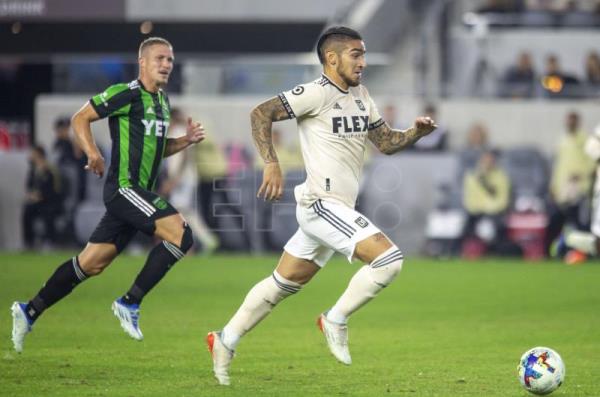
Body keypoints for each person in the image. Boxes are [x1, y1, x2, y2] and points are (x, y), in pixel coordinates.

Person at [205, 26, 436, 386]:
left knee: (283, 283)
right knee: (389, 261)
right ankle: (335, 318)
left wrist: (415, 133)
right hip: (320, 204)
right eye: (355, 54)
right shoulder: (315, 93)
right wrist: (271, 162)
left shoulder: (362, 95)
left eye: (363, 54)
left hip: (336, 208)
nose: (362, 61)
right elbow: (260, 113)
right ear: (332, 58)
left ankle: (224, 339)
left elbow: (386, 143)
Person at [11, 37, 206, 353]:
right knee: (182, 236)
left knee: (90, 264)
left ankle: (29, 310)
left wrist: (185, 141)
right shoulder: (126, 93)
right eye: (160, 58)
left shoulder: (163, 103)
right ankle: (129, 302)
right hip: (125, 189)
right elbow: (80, 117)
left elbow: (156, 150)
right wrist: (92, 152)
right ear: (142, 62)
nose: (167, 64)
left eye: (170, 60)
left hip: (137, 195)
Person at [161, 107, 219, 253]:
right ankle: (204, 240)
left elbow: (185, 156)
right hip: (184, 178)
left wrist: (174, 179)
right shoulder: (177, 130)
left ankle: (188, 242)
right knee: (184, 211)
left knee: (177, 210)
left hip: (183, 179)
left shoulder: (178, 131)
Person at [545, 111, 594, 255]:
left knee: (580, 223)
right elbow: (558, 165)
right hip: (562, 189)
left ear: (578, 122)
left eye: (572, 121)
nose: (570, 124)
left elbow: (592, 163)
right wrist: (553, 185)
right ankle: (550, 252)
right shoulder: (562, 140)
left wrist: (581, 174)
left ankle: (583, 252)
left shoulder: (585, 140)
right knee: (556, 221)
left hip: (579, 188)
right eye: (568, 121)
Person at [461, 149, 511, 254]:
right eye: (486, 159)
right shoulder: (472, 176)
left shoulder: (501, 176)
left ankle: (497, 253)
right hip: (476, 212)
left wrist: (491, 210)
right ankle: (463, 252)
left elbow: (503, 200)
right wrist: (478, 210)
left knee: (499, 229)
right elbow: (469, 198)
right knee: (466, 229)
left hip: (495, 212)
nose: (488, 162)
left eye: (490, 160)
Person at [22, 145, 63, 249]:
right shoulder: (33, 170)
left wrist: (41, 196)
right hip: (38, 202)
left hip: (51, 202)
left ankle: (50, 241)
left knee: (48, 213)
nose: (30, 156)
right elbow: (29, 186)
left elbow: (55, 190)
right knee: (27, 211)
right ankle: (28, 242)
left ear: (39, 155)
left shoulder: (50, 170)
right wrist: (31, 195)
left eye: (33, 154)